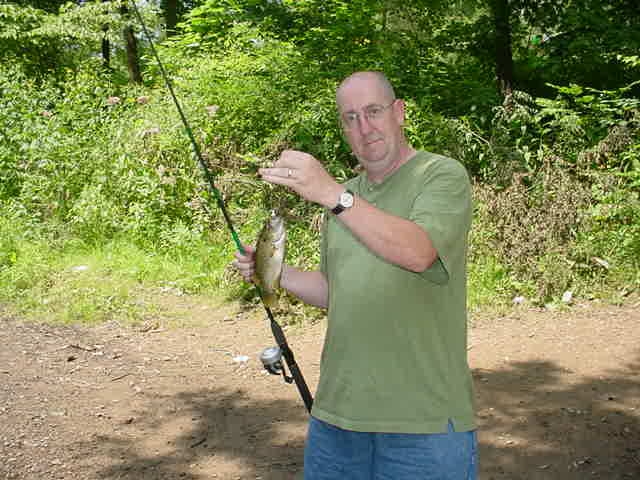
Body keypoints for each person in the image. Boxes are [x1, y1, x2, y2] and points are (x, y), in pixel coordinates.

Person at [233, 71, 477, 479]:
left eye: (373, 111)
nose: (364, 127)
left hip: (423, 423)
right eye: (350, 118)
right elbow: (334, 290)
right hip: (337, 419)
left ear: (398, 113)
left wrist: (332, 194)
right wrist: (273, 271)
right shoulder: (345, 197)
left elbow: (418, 252)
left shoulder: (440, 175)